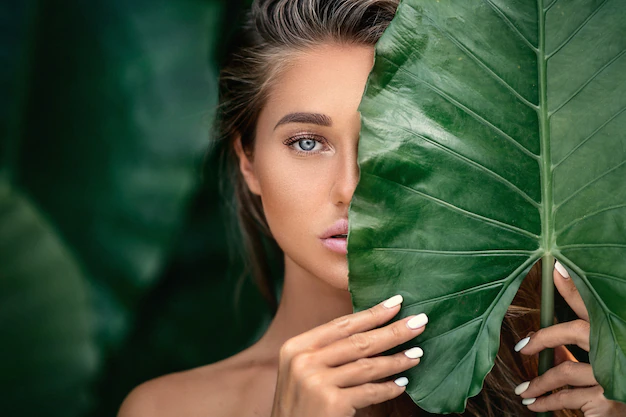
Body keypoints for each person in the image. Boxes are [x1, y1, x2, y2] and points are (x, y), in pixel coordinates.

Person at [117, 0, 626, 416]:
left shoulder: (556, 389)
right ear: (247, 160)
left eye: (391, 142)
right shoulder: (166, 408)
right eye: (307, 143)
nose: (352, 188)